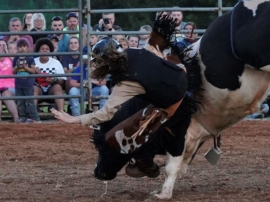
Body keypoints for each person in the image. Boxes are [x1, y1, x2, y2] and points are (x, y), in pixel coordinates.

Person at [53, 16, 189, 178]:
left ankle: (144, 155)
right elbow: (155, 53)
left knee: (137, 112)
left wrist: (73, 119)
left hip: (176, 97)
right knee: (139, 101)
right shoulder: (134, 51)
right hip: (182, 74)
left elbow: (105, 114)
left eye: (97, 62)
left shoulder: (124, 81)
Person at [12, 38, 40, 123]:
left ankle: (34, 117)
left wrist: (25, 67)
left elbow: (33, 71)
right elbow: (13, 72)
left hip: (28, 84)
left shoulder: (30, 58)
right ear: (17, 48)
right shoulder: (16, 58)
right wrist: (17, 67)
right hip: (18, 84)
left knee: (30, 101)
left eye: (24, 46)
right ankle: (23, 116)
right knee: (20, 102)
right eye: (20, 47)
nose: (22, 48)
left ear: (27, 47)